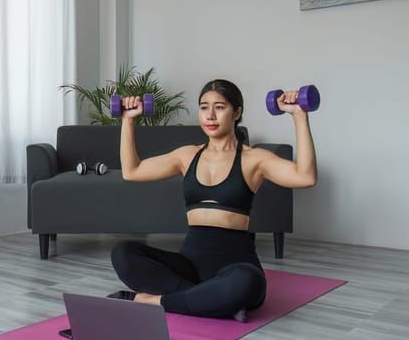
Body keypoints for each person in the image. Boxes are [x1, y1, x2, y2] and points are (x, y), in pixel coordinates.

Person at [109, 79, 317, 321]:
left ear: (237, 113)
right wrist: (128, 119)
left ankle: (152, 301)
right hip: (189, 266)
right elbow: (132, 171)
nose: (210, 115)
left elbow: (306, 177)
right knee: (123, 253)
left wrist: (299, 115)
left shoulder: (254, 159)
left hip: (236, 267)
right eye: (204, 107)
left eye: (219, 107)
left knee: (246, 282)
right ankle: (212, 301)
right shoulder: (186, 155)